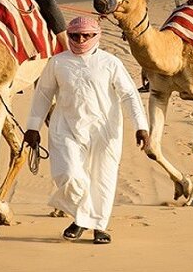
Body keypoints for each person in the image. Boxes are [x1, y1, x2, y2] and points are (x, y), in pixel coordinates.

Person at [23, 16, 150, 244]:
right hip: (66, 129)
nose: (80, 39)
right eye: (74, 35)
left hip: (104, 130)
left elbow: (129, 95)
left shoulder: (110, 62)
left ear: (96, 36)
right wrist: (33, 126)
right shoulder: (57, 62)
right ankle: (83, 217)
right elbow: (43, 94)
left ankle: (97, 225)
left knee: (103, 179)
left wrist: (141, 126)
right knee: (69, 175)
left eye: (86, 35)